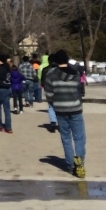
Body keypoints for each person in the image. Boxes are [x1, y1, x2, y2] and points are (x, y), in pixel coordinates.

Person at [43, 49, 86, 178]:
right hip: (76, 108)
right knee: (79, 137)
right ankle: (80, 159)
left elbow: (49, 93)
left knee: (66, 137)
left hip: (60, 109)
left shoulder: (51, 74)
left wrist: (54, 102)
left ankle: (70, 164)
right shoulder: (76, 73)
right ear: (67, 60)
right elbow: (79, 90)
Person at [39, 53, 56, 132]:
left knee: (51, 106)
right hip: (58, 89)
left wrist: (43, 85)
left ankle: (53, 122)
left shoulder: (45, 69)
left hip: (48, 89)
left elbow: (42, 79)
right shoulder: (58, 69)